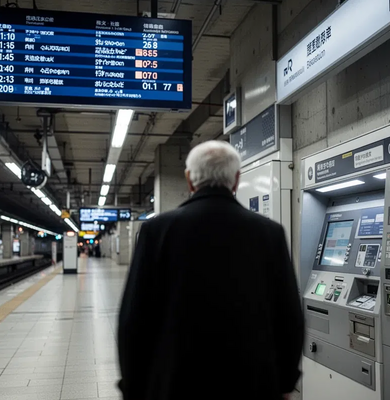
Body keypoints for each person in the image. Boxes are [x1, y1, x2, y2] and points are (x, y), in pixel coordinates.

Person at [118, 141, 304, 400]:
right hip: (252, 383)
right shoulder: (269, 233)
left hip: (176, 384)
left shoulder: (157, 231)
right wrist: (285, 382)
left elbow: (134, 319)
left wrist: (133, 387)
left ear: (189, 180)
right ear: (236, 180)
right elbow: (289, 317)